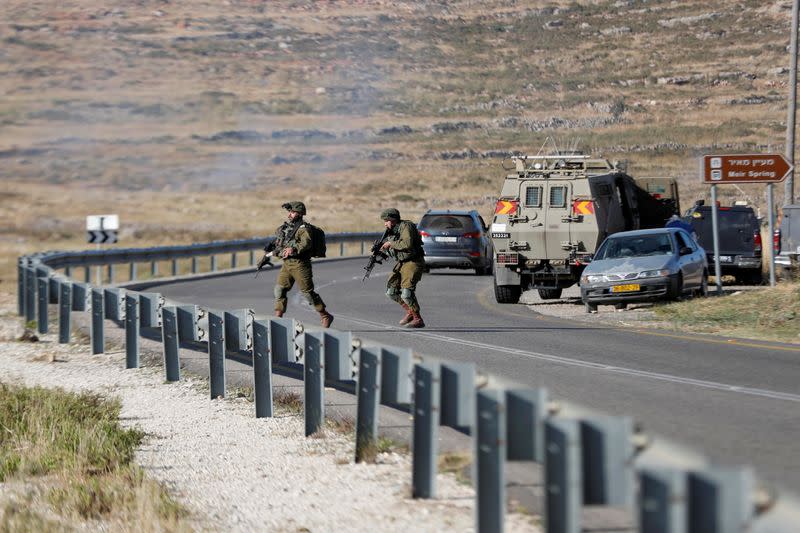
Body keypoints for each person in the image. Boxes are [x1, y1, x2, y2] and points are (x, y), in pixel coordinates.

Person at [258, 201, 333, 328]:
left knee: (307, 293)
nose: (290, 215)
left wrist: (293, 249)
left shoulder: (304, 229)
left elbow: (306, 243)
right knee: (279, 289)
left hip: (300, 264)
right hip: (287, 264)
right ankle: (278, 320)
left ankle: (325, 315)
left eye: (292, 212)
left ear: (299, 213)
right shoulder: (286, 228)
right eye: (290, 212)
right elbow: (278, 244)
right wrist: (266, 256)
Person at [378, 208, 426, 328]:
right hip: (402, 262)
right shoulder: (392, 231)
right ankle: (410, 311)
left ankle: (417, 318)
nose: (385, 223)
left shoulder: (406, 226)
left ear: (393, 220)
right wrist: (381, 251)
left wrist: (390, 244)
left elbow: (407, 244)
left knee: (406, 293)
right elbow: (395, 252)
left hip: (413, 261)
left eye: (386, 220)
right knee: (391, 292)